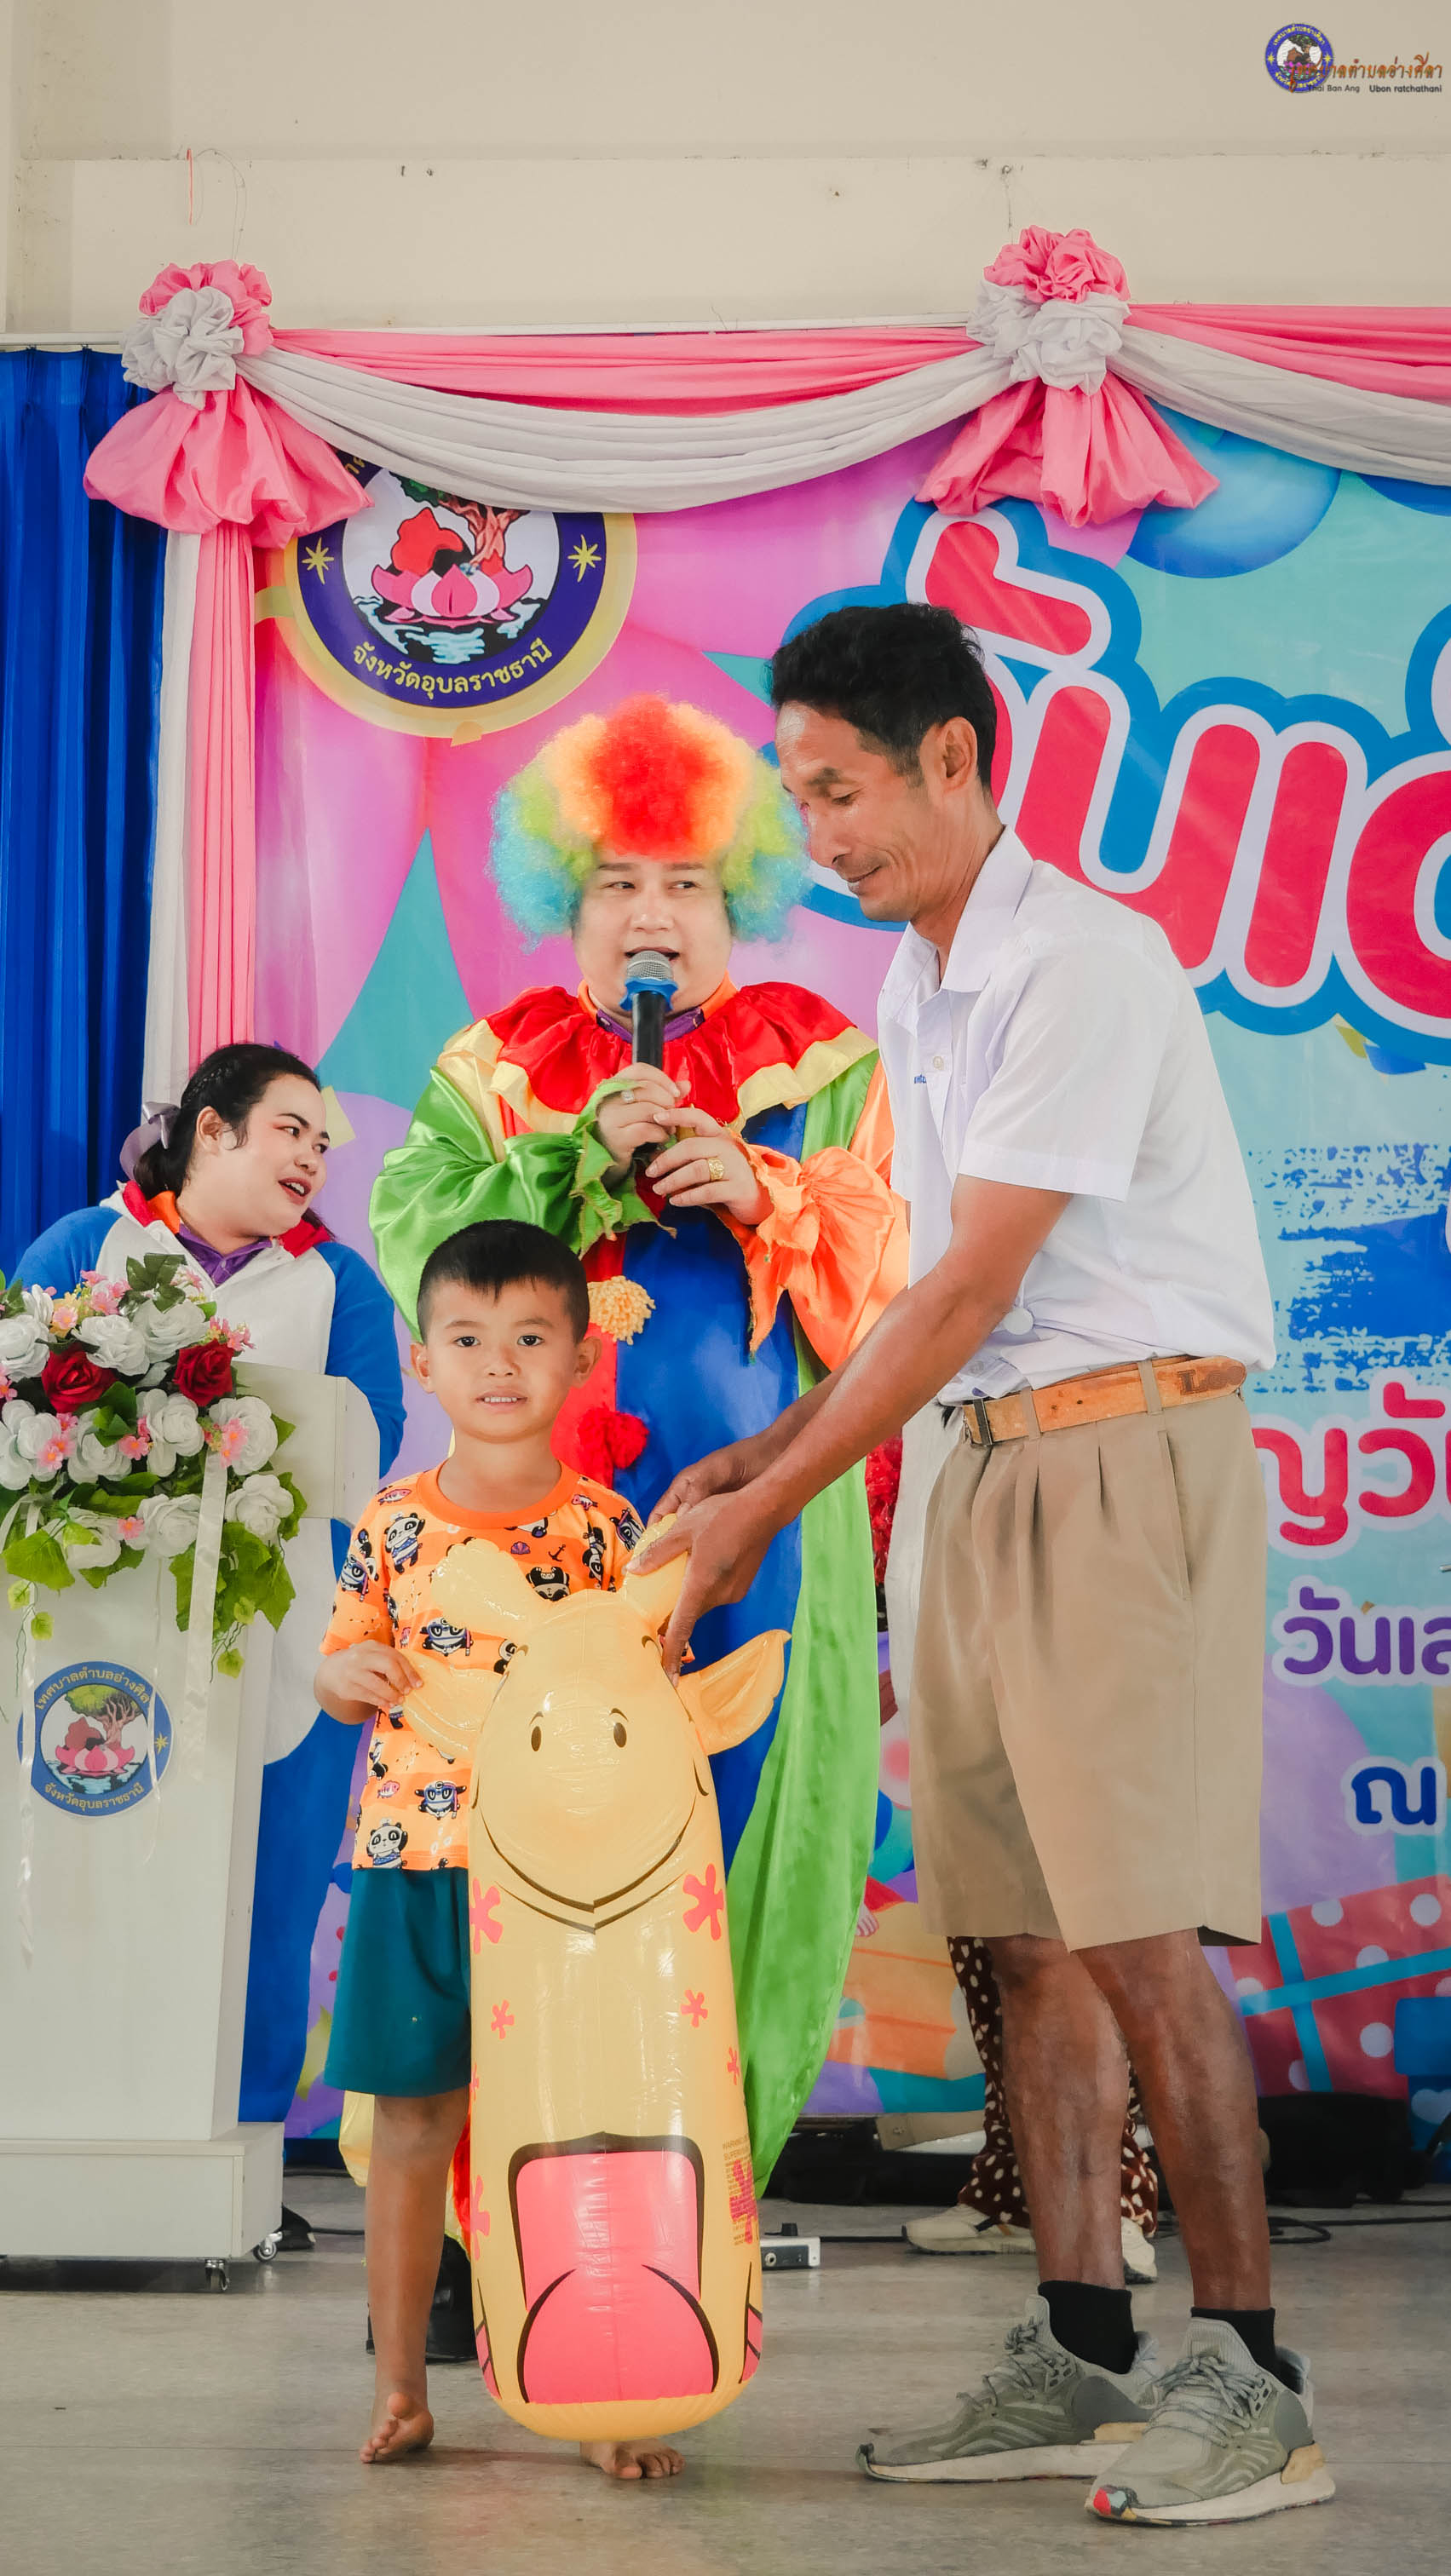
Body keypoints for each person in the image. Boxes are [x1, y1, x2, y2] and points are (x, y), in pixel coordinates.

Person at [639, 604, 1336, 2527]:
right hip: (981, 1459)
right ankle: (1082, 2346)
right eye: (798, 798)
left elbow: (974, 1289)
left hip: (1119, 1453)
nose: (819, 837)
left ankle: (1253, 2382)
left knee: (1135, 1929)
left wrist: (771, 1508)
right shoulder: (919, 980)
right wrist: (776, 1441)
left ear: (953, 757)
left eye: (840, 792)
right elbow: (924, 1297)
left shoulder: (1077, 963)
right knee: (1021, 1935)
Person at [369, 692, 907, 2188]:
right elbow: (418, 1235)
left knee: (731, 1821)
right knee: (514, 1828)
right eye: (616, 882)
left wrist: (764, 1191)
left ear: (740, 901)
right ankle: (485, 2207)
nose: (651, 915)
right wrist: (562, 1159)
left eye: (685, 882)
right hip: (529, 1523)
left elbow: (904, 1273)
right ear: (569, 902)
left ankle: (694, 2185)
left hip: (759, 1522)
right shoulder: (500, 1065)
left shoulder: (826, 1062)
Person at [314, 1216, 680, 2481]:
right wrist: (342, 1676)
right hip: (415, 1868)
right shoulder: (391, 1523)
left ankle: (595, 2391)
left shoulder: (608, 1531)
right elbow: (341, 1664)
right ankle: (402, 2388)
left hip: (565, 1885)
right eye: (468, 1340)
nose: (499, 1364)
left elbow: (644, 1700)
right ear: (424, 1363)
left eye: (530, 1338)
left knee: (577, 2129)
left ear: (580, 1358)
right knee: (413, 2128)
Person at [15, 1044, 404, 2167]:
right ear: (212, 1130)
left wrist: (227, 1429)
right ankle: (66, 2141)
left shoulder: (339, 1284)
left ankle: (244, 2164)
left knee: (269, 1905)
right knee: (88, 1883)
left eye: (324, 1142)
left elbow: (369, 1446)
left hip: (286, 1637)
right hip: (94, 1633)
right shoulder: (85, 1247)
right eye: (291, 1129)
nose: (314, 1157)